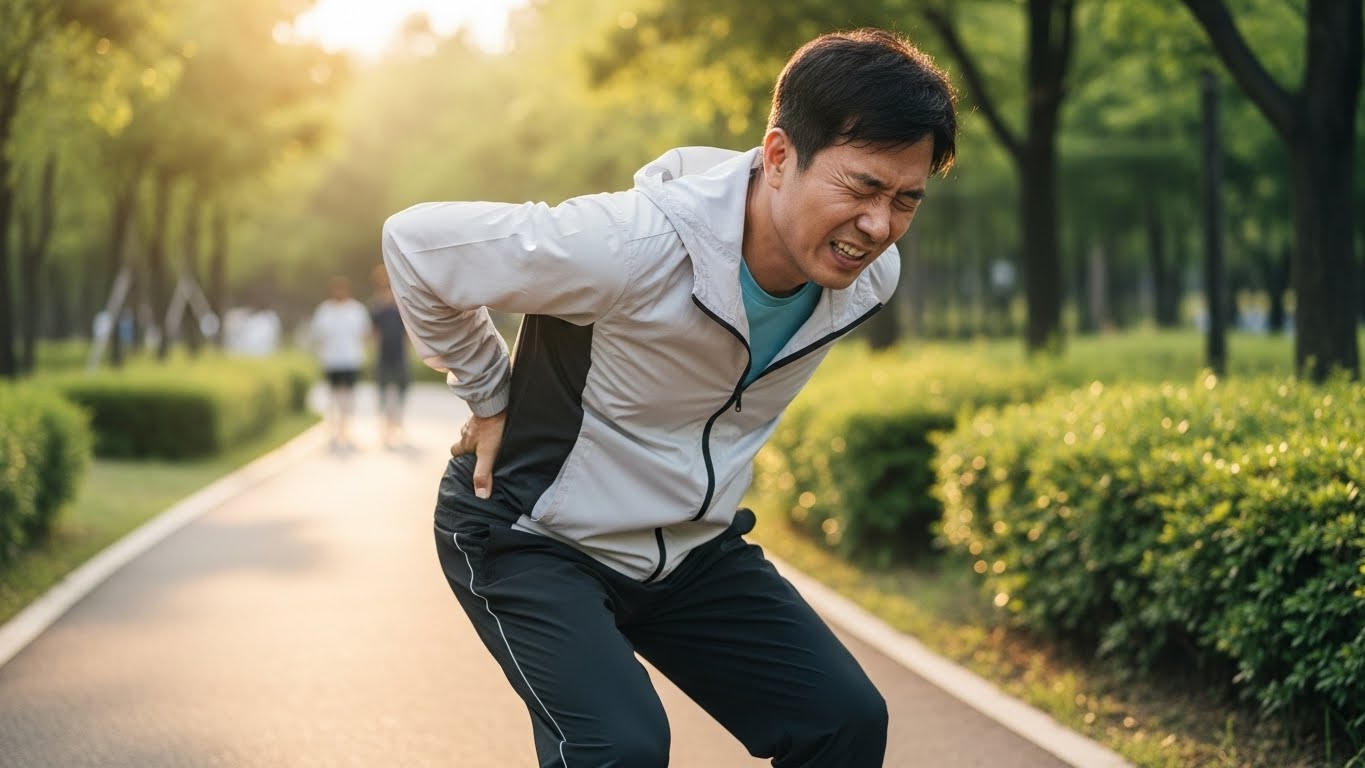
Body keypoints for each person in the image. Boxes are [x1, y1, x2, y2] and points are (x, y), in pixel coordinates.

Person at [382, 28, 956, 767]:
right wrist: (490, 394)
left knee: (843, 721)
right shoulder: (631, 244)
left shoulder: (869, 279)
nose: (878, 226)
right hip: (535, 533)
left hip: (686, 549)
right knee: (619, 749)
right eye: (862, 187)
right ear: (778, 156)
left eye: (906, 199)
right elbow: (416, 244)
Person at [308, 275, 372, 449]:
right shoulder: (325, 311)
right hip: (331, 360)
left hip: (351, 359)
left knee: (348, 396)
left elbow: (365, 333)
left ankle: (346, 428)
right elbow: (317, 334)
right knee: (333, 396)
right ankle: (334, 429)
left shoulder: (356, 310)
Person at [369, 264, 412, 447]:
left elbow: (407, 333)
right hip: (383, 356)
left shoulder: (401, 307)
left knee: (402, 388)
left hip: (399, 355)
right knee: (383, 391)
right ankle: (385, 424)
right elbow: (372, 332)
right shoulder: (376, 308)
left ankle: (397, 420)